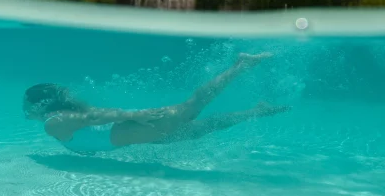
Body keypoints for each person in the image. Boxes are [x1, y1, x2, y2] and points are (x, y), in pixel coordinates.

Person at [23, 52, 290, 154]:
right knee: (208, 126)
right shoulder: (62, 119)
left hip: (148, 127)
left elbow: (94, 118)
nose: (25, 109)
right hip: (151, 135)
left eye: (27, 105)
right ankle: (259, 111)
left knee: (194, 105)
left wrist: (136, 114)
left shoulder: (53, 123)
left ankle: (241, 65)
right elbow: (92, 118)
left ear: (40, 106)